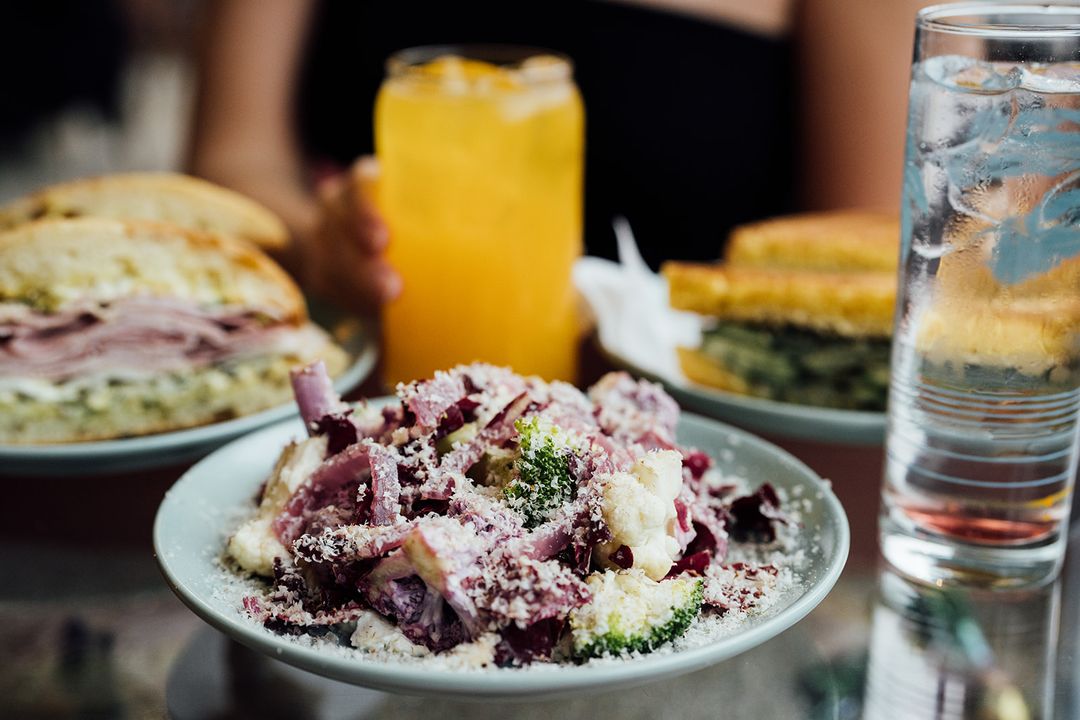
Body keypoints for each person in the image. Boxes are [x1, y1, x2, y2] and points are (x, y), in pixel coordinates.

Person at [190, 0, 930, 314]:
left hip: (700, 464)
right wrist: (315, 242)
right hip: (359, 413)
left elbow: (867, 263)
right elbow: (231, 162)